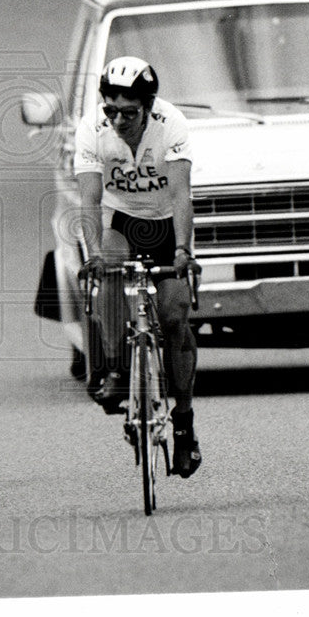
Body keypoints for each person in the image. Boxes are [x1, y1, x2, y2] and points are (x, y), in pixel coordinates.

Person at [74, 55, 201, 478]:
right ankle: (114, 366)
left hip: (167, 224)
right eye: (111, 110)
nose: (118, 120)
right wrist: (92, 253)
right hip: (122, 220)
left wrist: (183, 250)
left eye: (129, 113)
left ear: (149, 106)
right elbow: (90, 201)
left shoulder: (173, 124)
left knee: (174, 318)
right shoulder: (92, 129)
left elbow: (182, 195)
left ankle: (183, 421)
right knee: (108, 270)